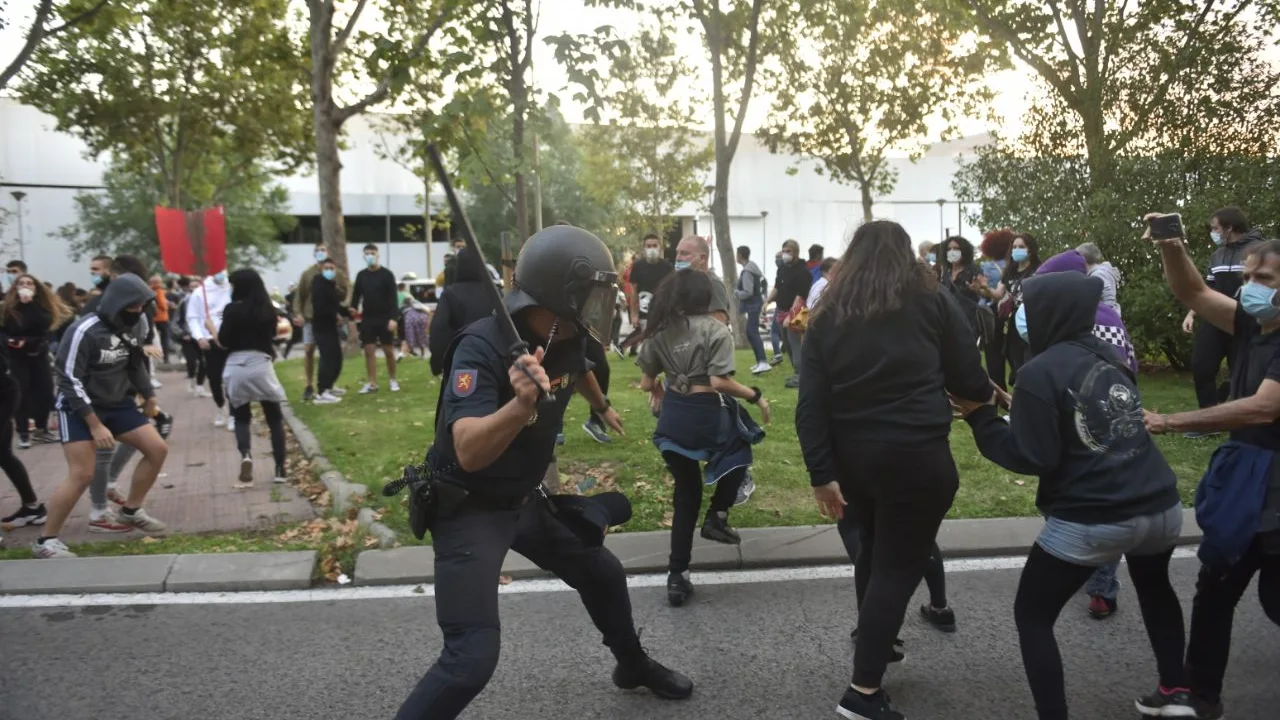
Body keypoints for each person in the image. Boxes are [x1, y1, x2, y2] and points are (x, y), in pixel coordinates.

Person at [396, 224, 690, 719]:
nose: (602, 304)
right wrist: (520, 406)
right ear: (561, 293)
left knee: (602, 572)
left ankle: (632, 665)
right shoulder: (481, 348)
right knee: (470, 659)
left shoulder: (569, 336)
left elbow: (580, 368)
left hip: (524, 501)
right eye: (594, 293)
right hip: (467, 507)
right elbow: (468, 450)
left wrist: (601, 406)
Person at [954, 270, 1193, 720]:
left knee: (1033, 614)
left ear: (1048, 312)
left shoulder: (1037, 371)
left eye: (1029, 308)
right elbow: (1088, 420)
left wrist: (980, 419)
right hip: (1160, 505)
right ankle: (1178, 690)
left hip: (1093, 516)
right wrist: (1014, 403)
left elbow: (1032, 455)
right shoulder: (1111, 357)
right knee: (1157, 590)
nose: (1024, 317)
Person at [795, 220, 993, 720]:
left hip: (851, 459)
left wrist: (821, 473)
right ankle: (862, 693)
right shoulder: (933, 303)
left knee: (873, 553)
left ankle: (877, 645)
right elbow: (969, 377)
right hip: (915, 456)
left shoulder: (827, 313)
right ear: (907, 255)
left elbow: (810, 403)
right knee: (897, 566)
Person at [1140, 216, 1280, 720]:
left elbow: (1264, 407)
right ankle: (1200, 698)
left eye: (1264, 280)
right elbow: (1195, 292)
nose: (1249, 288)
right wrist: (1172, 245)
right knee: (1215, 587)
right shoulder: (1252, 324)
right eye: (1246, 278)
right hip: (1248, 481)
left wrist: (1174, 420)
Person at [639, 269, 770, 606]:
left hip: (673, 420)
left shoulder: (658, 332)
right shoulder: (716, 330)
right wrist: (755, 395)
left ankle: (677, 575)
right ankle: (719, 516)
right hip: (704, 416)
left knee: (686, 495)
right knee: (742, 445)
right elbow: (719, 383)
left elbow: (645, 382)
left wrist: (657, 390)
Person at [1034, 250, 1140, 620]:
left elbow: (1122, 362)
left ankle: (1101, 584)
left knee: (1091, 501)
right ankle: (1093, 574)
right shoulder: (1076, 319)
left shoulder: (1097, 320)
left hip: (1090, 423)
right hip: (1084, 420)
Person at [35, 274, 168, 558]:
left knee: (157, 449)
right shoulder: (84, 330)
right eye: (132, 307)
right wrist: (94, 424)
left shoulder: (139, 321)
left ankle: (131, 510)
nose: (138, 312)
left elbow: (135, 361)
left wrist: (149, 396)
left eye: (143, 306)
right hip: (78, 406)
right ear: (116, 303)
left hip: (118, 402)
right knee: (83, 474)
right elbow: (68, 379)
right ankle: (46, 541)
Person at [1183, 207, 1263, 417]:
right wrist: (1192, 313)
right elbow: (1206, 290)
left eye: (1215, 228)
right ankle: (1208, 417)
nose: (1213, 233)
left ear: (1229, 228)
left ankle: (1238, 416)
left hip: (1245, 321)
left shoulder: (1259, 251)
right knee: (1201, 366)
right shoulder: (1217, 255)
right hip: (1215, 319)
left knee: (1242, 371)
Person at [218, 269, 289, 486]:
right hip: (261, 364)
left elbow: (224, 341)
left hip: (235, 366)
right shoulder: (267, 309)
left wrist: (213, 329)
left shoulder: (231, 310)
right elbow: (273, 337)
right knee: (274, 418)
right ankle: (280, 469)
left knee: (241, 416)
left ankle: (246, 454)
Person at [1, 273, 69, 448]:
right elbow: (6, 330)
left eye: (29, 283)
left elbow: (44, 327)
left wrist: (29, 304)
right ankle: (23, 432)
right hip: (16, 357)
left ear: (36, 288)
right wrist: (9, 340)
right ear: (15, 287)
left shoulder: (42, 307)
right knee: (21, 392)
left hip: (38, 354)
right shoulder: (7, 309)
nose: (25, 286)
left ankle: (41, 428)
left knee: (45, 391)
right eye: (21, 283)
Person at [0, 295, 45, 528]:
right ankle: (32, 506)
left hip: (4, 393)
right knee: (4, 455)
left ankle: (33, 507)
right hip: (7, 390)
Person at [974, 232, 1041, 389]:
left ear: (1030, 250)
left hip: (1032, 324)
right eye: (1014, 247)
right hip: (1012, 327)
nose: (1017, 250)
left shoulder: (1038, 270)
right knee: (1016, 363)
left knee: (1031, 364)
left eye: (1021, 247)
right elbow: (998, 294)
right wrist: (984, 288)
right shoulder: (1010, 271)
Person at [291, 242, 349, 402]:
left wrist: (341, 309)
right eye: (317, 250)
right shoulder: (308, 274)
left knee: (331, 352)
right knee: (309, 350)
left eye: (323, 250)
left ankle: (329, 385)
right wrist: (298, 313)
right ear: (314, 254)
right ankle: (310, 385)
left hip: (329, 317)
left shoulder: (336, 273)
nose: (320, 253)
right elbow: (299, 295)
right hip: (311, 317)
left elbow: (343, 294)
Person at [429, 247, 497, 377]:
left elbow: (439, 329)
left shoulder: (450, 294)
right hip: (492, 359)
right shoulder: (494, 294)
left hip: (461, 360)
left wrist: (437, 363)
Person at [185, 269, 234, 429]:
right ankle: (221, 407)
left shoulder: (231, 288)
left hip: (230, 339)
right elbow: (193, 317)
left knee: (232, 378)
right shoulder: (200, 293)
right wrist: (199, 336)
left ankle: (234, 413)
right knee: (214, 377)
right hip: (210, 341)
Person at [352, 244, 401, 394]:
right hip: (368, 318)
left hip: (385, 318)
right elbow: (356, 296)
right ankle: (372, 383)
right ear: (363, 256)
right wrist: (352, 309)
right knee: (369, 350)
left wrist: (393, 318)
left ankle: (393, 379)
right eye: (367, 253)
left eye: (372, 253)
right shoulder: (361, 275)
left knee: (388, 350)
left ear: (378, 255)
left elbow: (394, 298)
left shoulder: (387, 274)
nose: (370, 256)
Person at [769, 239, 812, 390]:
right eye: (784, 251)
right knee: (786, 344)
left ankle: (801, 375)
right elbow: (777, 287)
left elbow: (800, 296)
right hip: (781, 311)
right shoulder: (782, 269)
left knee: (795, 344)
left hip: (795, 313)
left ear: (796, 253)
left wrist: (791, 315)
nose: (785, 254)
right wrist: (767, 301)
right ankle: (796, 372)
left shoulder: (802, 271)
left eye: (789, 251)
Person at [626, 233, 675, 355]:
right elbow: (633, 291)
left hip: (662, 312)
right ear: (644, 248)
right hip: (644, 312)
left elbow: (672, 290)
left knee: (663, 344)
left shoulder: (667, 267)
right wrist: (634, 314)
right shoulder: (638, 266)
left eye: (654, 245)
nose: (652, 249)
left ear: (659, 247)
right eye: (649, 246)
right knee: (649, 343)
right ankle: (649, 369)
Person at [311, 258, 349, 404]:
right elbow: (321, 306)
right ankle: (322, 392)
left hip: (331, 326)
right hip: (322, 326)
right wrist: (335, 315)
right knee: (327, 358)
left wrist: (347, 312)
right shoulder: (319, 284)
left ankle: (330, 385)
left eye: (332, 268)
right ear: (321, 268)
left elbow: (335, 304)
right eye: (326, 268)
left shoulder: (330, 285)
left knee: (336, 357)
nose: (329, 271)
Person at [937, 235, 985, 341]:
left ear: (964, 251)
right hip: (948, 319)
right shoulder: (945, 271)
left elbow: (983, 292)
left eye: (956, 248)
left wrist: (978, 290)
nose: (952, 251)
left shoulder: (973, 269)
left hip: (968, 319)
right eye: (949, 249)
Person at [674, 235, 730, 324]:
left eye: (684, 253)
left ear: (702, 258)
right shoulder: (680, 281)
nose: (678, 258)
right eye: (677, 253)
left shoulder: (712, 283)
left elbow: (719, 321)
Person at [734, 245, 771, 374]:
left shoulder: (747, 271)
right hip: (757, 304)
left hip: (752, 305)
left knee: (752, 332)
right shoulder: (753, 268)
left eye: (736, 254)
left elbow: (748, 292)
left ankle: (763, 362)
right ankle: (760, 362)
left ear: (740, 255)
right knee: (751, 332)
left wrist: (737, 293)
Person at [173, 282, 208, 396]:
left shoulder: (206, 302)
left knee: (204, 361)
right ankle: (191, 379)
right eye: (192, 287)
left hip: (203, 337)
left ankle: (200, 386)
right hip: (188, 337)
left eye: (197, 286)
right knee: (191, 361)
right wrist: (182, 334)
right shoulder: (183, 303)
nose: (194, 289)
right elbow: (175, 322)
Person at [1077, 242, 1122, 314]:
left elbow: (1107, 294)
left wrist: (1108, 313)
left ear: (1083, 259)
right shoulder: (1102, 272)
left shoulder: (1097, 274)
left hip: (1105, 317)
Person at [149, 275, 172, 364]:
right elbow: (162, 304)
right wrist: (167, 306)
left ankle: (153, 357)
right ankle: (165, 358)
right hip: (162, 318)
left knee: (152, 338)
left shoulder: (149, 291)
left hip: (153, 318)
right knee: (164, 339)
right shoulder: (159, 291)